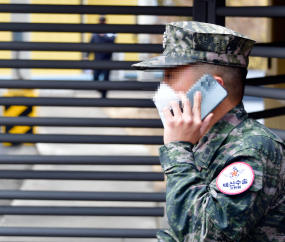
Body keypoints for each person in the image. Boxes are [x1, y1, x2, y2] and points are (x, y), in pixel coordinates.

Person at [132, 21, 285, 241]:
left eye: (171, 76)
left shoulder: (253, 149)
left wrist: (177, 152)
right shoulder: (199, 139)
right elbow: (175, 229)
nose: (162, 87)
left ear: (213, 87)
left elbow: (204, 236)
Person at [85, 16, 116, 98]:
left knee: (106, 78)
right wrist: (87, 56)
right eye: (100, 22)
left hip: (107, 59)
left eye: (103, 22)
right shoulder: (95, 33)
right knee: (95, 78)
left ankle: (104, 96)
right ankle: (100, 89)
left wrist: (103, 35)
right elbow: (90, 44)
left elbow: (113, 40)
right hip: (97, 59)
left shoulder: (110, 32)